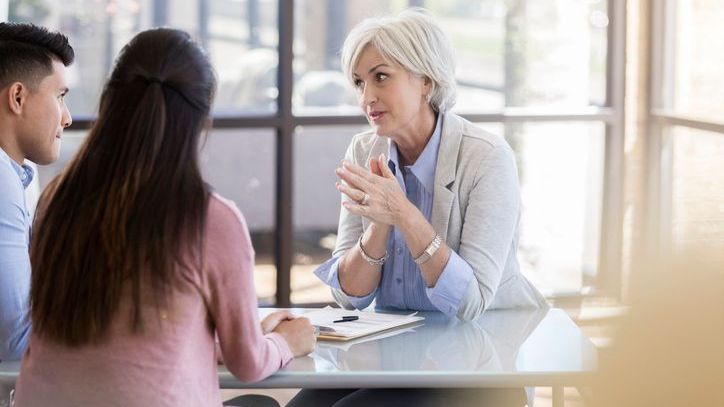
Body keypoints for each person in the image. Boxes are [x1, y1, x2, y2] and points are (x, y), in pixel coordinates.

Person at [13, 28, 315, 407]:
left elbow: (116, 340)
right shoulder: (210, 218)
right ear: (200, 117)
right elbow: (249, 363)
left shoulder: (57, 198)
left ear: (110, 102)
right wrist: (286, 341)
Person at [296, 8, 546, 407]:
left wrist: (404, 213)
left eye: (381, 76)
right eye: (359, 82)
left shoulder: (486, 157)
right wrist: (378, 227)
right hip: (395, 355)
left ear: (426, 79)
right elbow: (350, 297)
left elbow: (471, 302)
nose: (366, 97)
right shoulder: (365, 149)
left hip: (482, 365)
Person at [0, 22, 74, 361]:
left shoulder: (21, 173)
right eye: (60, 97)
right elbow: (14, 340)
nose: (67, 118)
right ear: (17, 97)